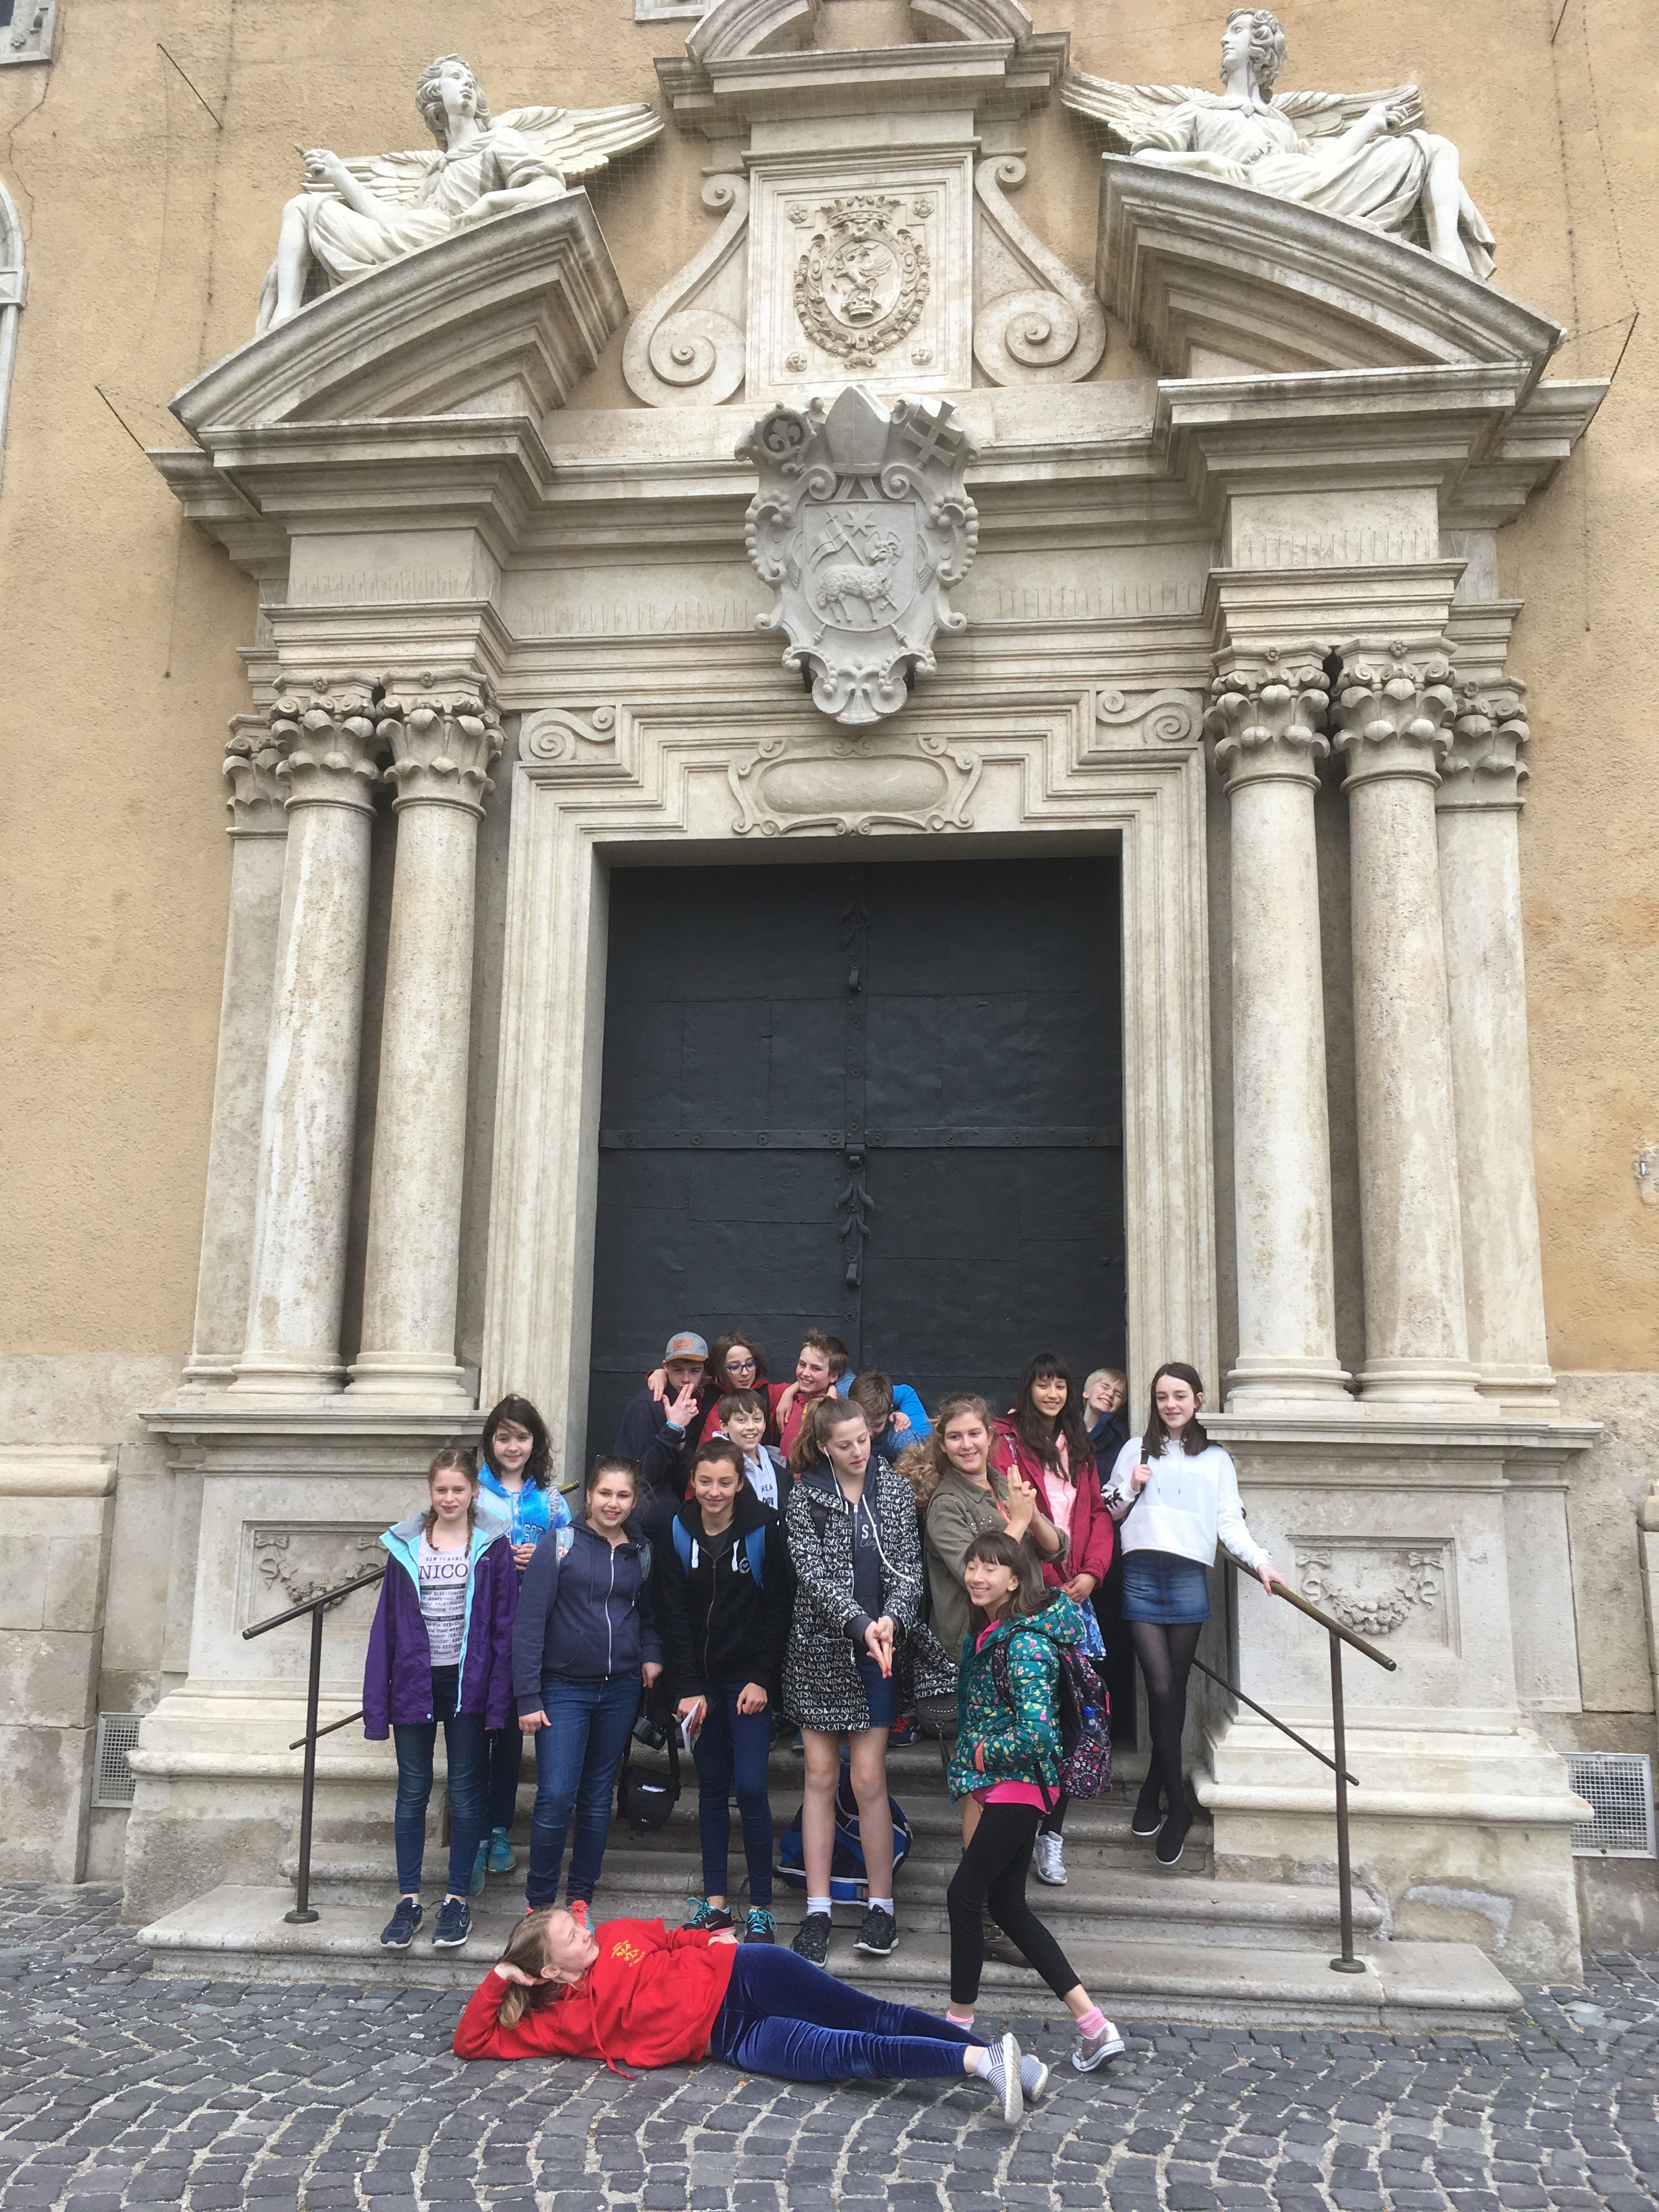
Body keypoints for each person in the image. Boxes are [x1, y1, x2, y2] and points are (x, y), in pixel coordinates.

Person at [453, 1909, 1050, 2124]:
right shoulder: (553, 2024)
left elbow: (673, 1939)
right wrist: (500, 1976)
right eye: (571, 1938)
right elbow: (471, 2042)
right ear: (551, 1971)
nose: (586, 1934)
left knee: (872, 2015)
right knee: (843, 2054)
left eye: (577, 1926)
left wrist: (708, 1944)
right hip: (731, 2038)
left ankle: (1004, 2065)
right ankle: (982, 2060)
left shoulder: (615, 1935)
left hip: (747, 1972)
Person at [944, 1528, 1125, 2075]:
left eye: (991, 1568)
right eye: (973, 1565)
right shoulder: (994, 1634)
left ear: (1016, 1580)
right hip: (1011, 1784)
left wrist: (977, 1754)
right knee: (1006, 1906)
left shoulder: (1024, 1643)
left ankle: (956, 2028)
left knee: (963, 1895)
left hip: (1019, 1784)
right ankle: (1094, 2026)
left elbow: (1039, 1735)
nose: (977, 1575)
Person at [1102, 1361, 1288, 1867]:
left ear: (1199, 1399)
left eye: (1180, 1395)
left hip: (1187, 1577)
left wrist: (1262, 1562)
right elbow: (1109, 1509)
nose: (1171, 1405)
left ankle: (1152, 1792)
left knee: (1175, 1690)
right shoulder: (1133, 1450)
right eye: (1162, 1396)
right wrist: (1133, 1485)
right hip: (1141, 1574)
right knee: (1160, 1687)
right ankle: (1177, 1805)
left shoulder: (1216, 1460)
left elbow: (1229, 1521)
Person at [782, 1397, 947, 1963]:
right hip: (821, 1652)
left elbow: (909, 1570)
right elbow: (811, 1572)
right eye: (845, 1443)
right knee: (821, 1777)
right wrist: (857, 1624)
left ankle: (882, 1907)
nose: (858, 1451)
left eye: (863, 1440)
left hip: (880, 1651)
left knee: (870, 1781)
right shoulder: (805, 1494)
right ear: (825, 1445)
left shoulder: (896, 1491)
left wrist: (891, 1622)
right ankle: (818, 1907)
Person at [364, 1446, 518, 1953]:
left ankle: (456, 1899)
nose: (450, 1497)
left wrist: (499, 1700)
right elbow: (385, 1627)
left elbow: (503, 1628)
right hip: (413, 1679)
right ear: (430, 1493)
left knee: (466, 1789)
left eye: (459, 1489)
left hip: (468, 1681)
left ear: (475, 1491)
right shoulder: (407, 1547)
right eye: (441, 1490)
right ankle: (409, 1899)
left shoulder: (492, 1545)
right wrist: (376, 1702)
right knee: (412, 1789)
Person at [654, 1436, 794, 1944]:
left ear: (741, 1484)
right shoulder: (676, 1530)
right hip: (700, 1686)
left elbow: (779, 1609)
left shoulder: (763, 1530)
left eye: (725, 1483)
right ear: (694, 1481)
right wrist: (687, 1686)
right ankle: (715, 1904)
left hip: (748, 1681)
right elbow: (671, 1614)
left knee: (752, 1787)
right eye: (706, 1482)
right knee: (711, 1788)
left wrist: (762, 1677)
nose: (715, 1492)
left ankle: (760, 1906)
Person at [512, 1456, 663, 1910]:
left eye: (622, 1495)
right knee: (557, 1795)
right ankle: (539, 1905)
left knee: (598, 1798)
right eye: (605, 1494)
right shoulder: (559, 1546)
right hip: (564, 1689)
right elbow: (530, 1623)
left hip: (619, 1690)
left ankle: (580, 1901)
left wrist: (651, 1655)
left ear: (634, 1500)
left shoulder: (642, 1552)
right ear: (590, 1496)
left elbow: (647, 1616)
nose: (612, 1503)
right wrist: (527, 1695)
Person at [993, 1353, 1114, 1887]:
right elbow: (1006, 1515)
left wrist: (1091, 1574)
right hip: (1030, 1597)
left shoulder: (1080, 1449)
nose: (1052, 1392)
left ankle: (1052, 1837)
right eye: (1043, 1383)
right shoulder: (1010, 1444)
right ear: (1029, 1387)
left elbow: (1095, 1517)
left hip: (1076, 1601)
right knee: (1029, 1719)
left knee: (1071, 1718)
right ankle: (1018, 1829)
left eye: (1060, 1383)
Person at [472, 1395, 572, 1891]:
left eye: (523, 1437)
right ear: (491, 1441)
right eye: (505, 1436)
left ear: (536, 1443)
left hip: (527, 1636)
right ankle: (471, 1829)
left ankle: (498, 1830)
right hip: (478, 1632)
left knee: (511, 1737)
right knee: (474, 1736)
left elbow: (575, 1556)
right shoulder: (470, 1495)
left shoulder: (552, 1501)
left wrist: (546, 1557)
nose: (514, 1446)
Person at [922, 1395, 1057, 1662]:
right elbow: (978, 1578)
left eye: (975, 1434)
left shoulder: (1005, 1482)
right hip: (976, 1643)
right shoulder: (946, 1504)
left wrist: (1032, 1517)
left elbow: (1057, 1548)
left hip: (1026, 1630)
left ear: (991, 1437)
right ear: (943, 1445)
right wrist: (1018, 1521)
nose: (967, 1445)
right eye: (955, 1437)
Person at [613, 1333, 712, 1538]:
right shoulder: (648, 1404)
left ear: (703, 1373)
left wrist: (680, 1441)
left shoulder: (692, 1402)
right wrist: (673, 1429)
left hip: (672, 1524)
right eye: (677, 1371)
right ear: (666, 1369)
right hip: (641, 1529)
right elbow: (641, 1477)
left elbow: (682, 1476)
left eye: (694, 1371)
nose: (686, 1379)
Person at [705, 1387, 791, 1511]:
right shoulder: (716, 1465)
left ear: (765, 1424)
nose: (751, 1427)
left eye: (757, 1419)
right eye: (741, 1420)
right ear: (724, 1426)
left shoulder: (777, 1461)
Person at [770, 1331, 850, 1459]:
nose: (806, 1373)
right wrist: (789, 1392)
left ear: (834, 1376)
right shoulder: (791, 1398)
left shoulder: (841, 1408)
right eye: (802, 1365)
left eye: (816, 1369)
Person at [848, 1371, 933, 1460]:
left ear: (888, 1412)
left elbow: (926, 1461)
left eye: (877, 1425)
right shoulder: (850, 1398)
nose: (868, 1433)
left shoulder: (899, 1440)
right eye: (864, 1423)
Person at [1082, 1368, 1130, 1468]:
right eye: (1104, 1387)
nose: (1110, 1394)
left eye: (1118, 1394)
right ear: (1086, 1392)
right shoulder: (1066, 1429)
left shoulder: (1120, 1437)